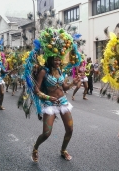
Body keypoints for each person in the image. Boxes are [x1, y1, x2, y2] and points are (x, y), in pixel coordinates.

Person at [23, 28, 80, 162]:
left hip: (63, 102)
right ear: (49, 59)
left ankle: (63, 150)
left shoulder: (60, 71)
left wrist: (72, 83)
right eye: (55, 59)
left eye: (59, 59)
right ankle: (35, 147)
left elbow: (64, 87)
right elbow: (37, 90)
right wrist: (48, 97)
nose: (57, 62)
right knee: (47, 133)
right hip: (50, 104)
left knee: (70, 129)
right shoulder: (44, 72)